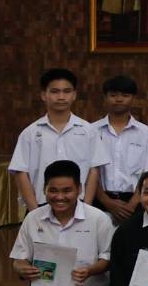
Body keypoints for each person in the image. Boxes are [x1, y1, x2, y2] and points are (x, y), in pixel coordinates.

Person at [9, 68, 107, 213]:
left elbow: (94, 170)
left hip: (79, 205)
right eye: (55, 91)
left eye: (67, 91)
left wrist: (86, 208)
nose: (61, 97)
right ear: (44, 95)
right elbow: (21, 172)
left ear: (74, 95)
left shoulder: (88, 131)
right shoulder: (30, 133)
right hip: (41, 205)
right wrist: (35, 211)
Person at [92, 74, 148, 225]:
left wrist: (131, 205)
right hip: (98, 203)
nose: (119, 99)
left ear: (133, 98)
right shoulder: (92, 131)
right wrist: (107, 202)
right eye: (113, 95)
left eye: (125, 95)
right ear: (105, 97)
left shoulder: (145, 133)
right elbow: (87, 171)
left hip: (136, 204)